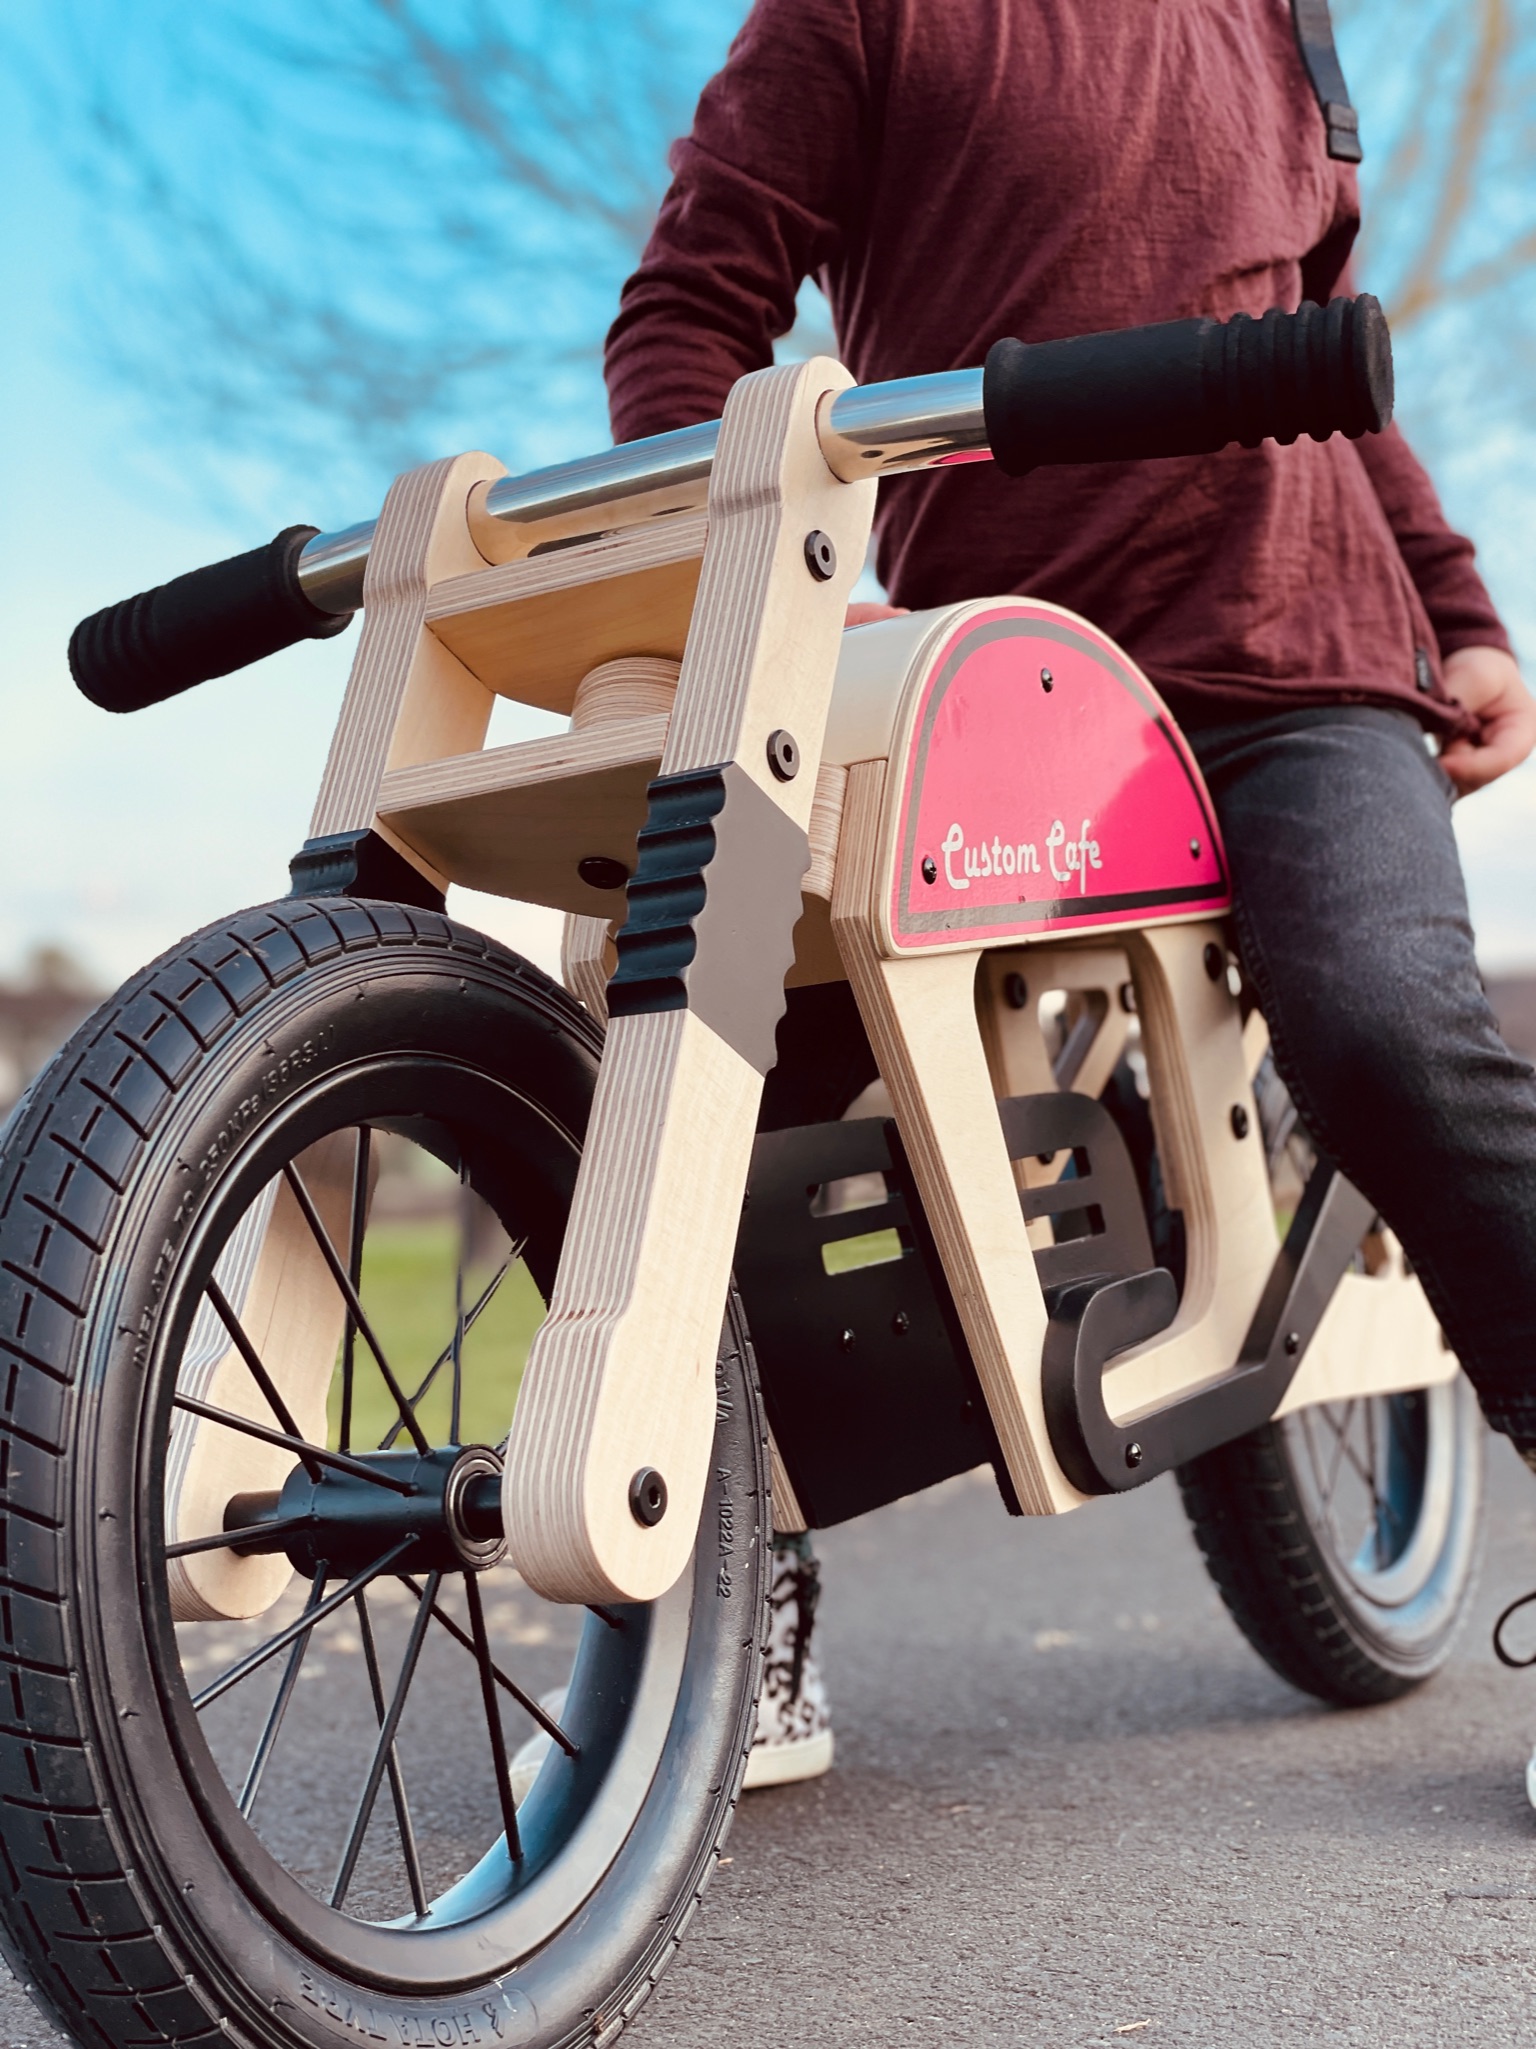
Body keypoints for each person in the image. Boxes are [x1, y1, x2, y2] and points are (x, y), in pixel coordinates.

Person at [602, 0, 1536, 1790]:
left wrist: (1464, 608)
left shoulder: (1279, 21)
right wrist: (762, 601)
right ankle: (734, 1575)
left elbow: (1326, 359)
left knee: (1384, 1027)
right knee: (748, 1057)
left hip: (1307, 666)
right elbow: (692, 312)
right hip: (998, 669)